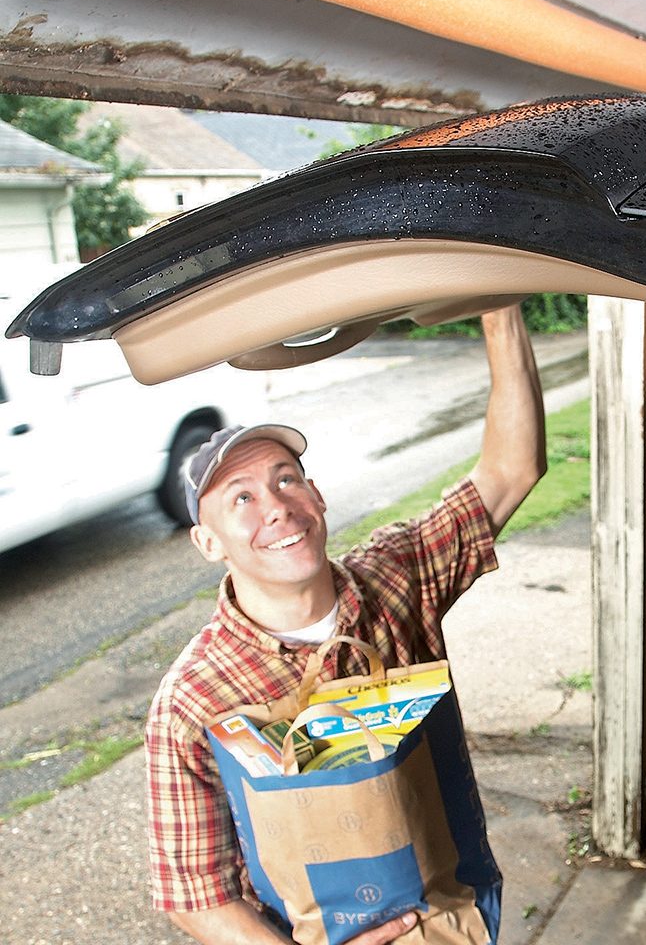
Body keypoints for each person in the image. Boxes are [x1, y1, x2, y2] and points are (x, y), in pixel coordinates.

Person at [144, 305, 546, 945]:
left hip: (456, 922)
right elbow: (196, 894)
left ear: (318, 496)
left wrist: (498, 311)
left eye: (287, 480)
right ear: (208, 542)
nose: (276, 508)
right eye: (241, 498)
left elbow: (510, 472)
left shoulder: (395, 578)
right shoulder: (192, 699)